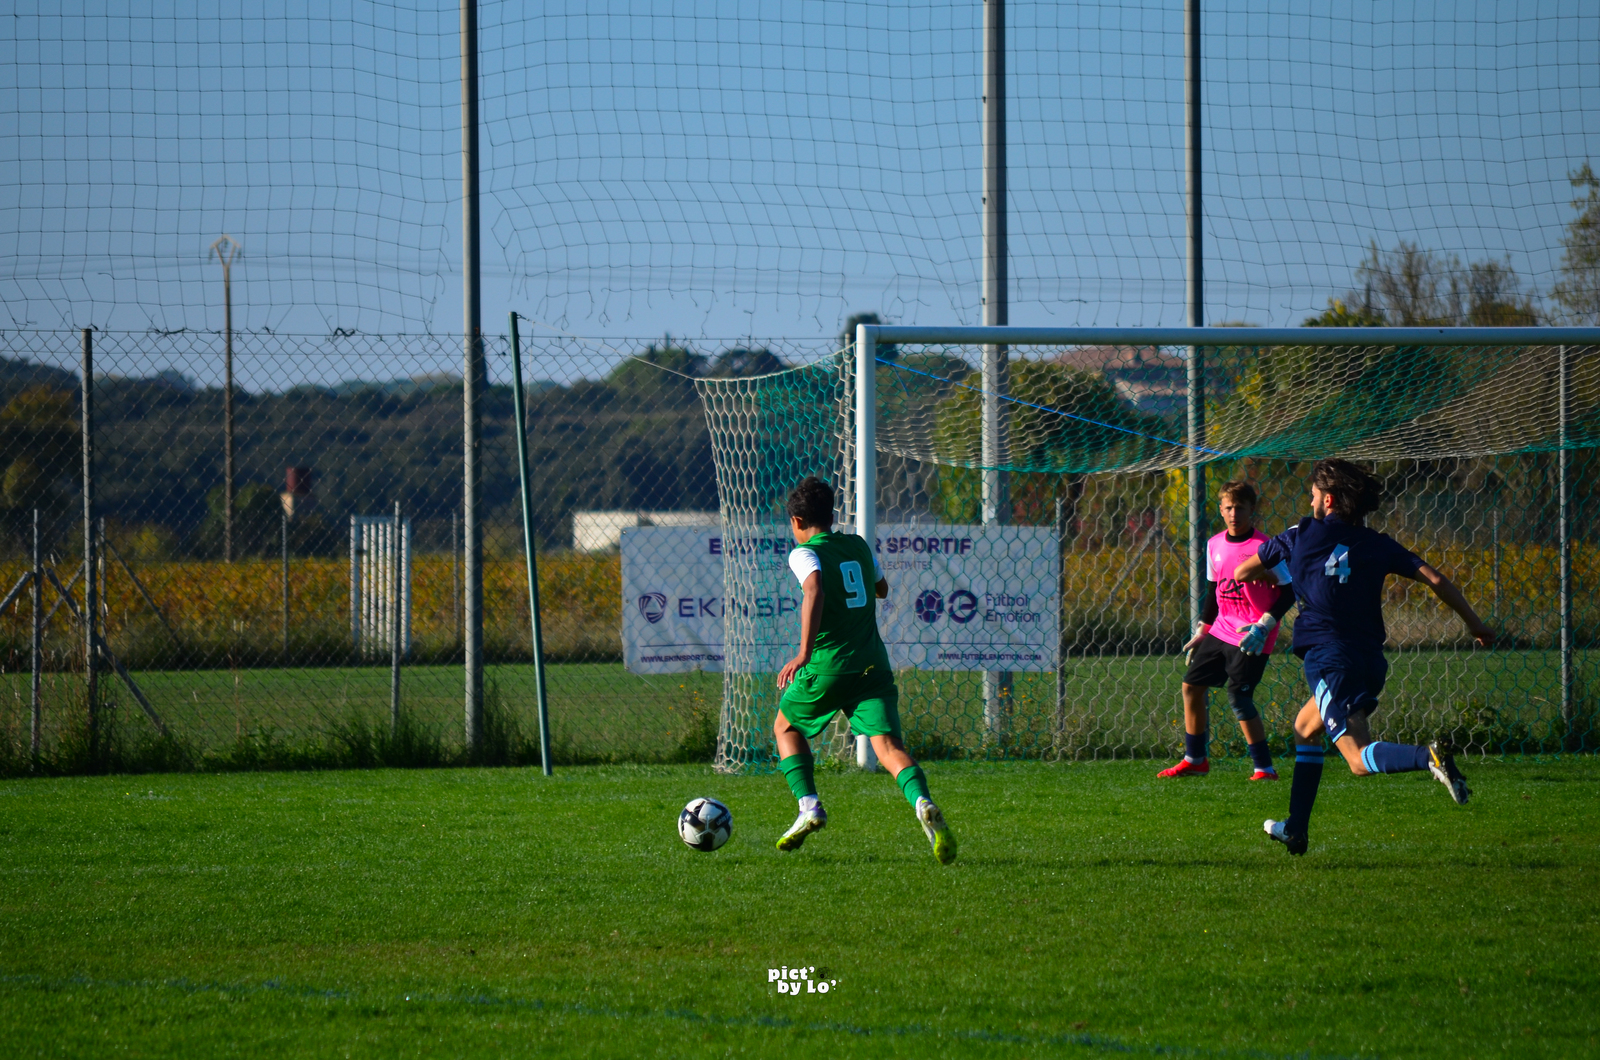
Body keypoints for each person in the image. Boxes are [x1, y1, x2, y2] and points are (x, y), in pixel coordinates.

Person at [1234, 459, 1493, 856]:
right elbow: (1436, 579)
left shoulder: (1299, 534)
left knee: (1356, 759)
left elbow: (1243, 571)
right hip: (1370, 661)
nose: (1310, 499)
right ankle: (1295, 829)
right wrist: (1475, 625)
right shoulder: (1377, 543)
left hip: (1329, 658)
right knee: (1305, 727)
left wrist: (1280, 579)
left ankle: (1428, 757)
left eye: (1313, 494)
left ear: (1328, 500)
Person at [771, 476, 956, 865]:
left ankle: (809, 806)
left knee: (785, 728)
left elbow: (815, 589)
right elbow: (881, 589)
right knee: (888, 747)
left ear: (798, 521)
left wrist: (804, 653)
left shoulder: (804, 553)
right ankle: (923, 802)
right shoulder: (857, 545)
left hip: (829, 666)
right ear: (831, 514)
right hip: (872, 664)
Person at [1159, 480, 1296, 781]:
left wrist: (1265, 625)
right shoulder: (1214, 544)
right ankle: (1195, 759)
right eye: (1229, 507)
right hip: (1220, 630)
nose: (1234, 514)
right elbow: (1214, 590)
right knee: (1190, 686)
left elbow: (1289, 592)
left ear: (1252, 510)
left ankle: (1264, 769)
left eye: (1240, 508)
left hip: (1251, 634)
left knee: (1239, 697)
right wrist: (1203, 630)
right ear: (1220, 509)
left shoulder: (1265, 547)